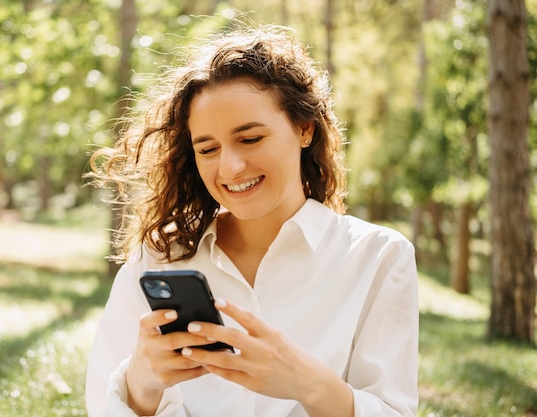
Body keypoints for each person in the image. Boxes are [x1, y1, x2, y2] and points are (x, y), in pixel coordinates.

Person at [85, 22, 419, 417]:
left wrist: (306, 383)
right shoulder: (158, 260)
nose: (231, 166)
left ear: (304, 129)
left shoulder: (379, 257)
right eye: (207, 148)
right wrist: (142, 383)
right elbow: (102, 406)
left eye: (250, 138)